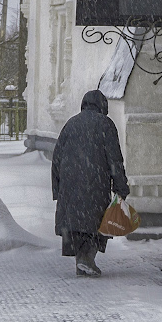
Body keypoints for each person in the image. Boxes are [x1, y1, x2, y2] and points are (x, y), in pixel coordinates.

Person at [51, 89, 129, 276]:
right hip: (96, 184)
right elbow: (115, 160)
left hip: (70, 185)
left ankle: (82, 262)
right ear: (103, 106)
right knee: (95, 225)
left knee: (77, 225)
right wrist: (120, 187)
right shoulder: (105, 124)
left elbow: (57, 158)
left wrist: (57, 188)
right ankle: (86, 259)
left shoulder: (71, 124)